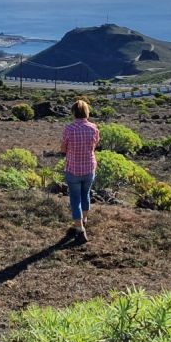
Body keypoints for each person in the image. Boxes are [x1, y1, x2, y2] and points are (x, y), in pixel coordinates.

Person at [61, 99, 100, 244]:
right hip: (89, 168)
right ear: (86, 112)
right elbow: (94, 145)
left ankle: (80, 229)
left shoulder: (69, 129)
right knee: (86, 195)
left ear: (73, 113)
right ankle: (84, 220)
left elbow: (63, 148)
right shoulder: (93, 128)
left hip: (73, 169)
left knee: (75, 199)